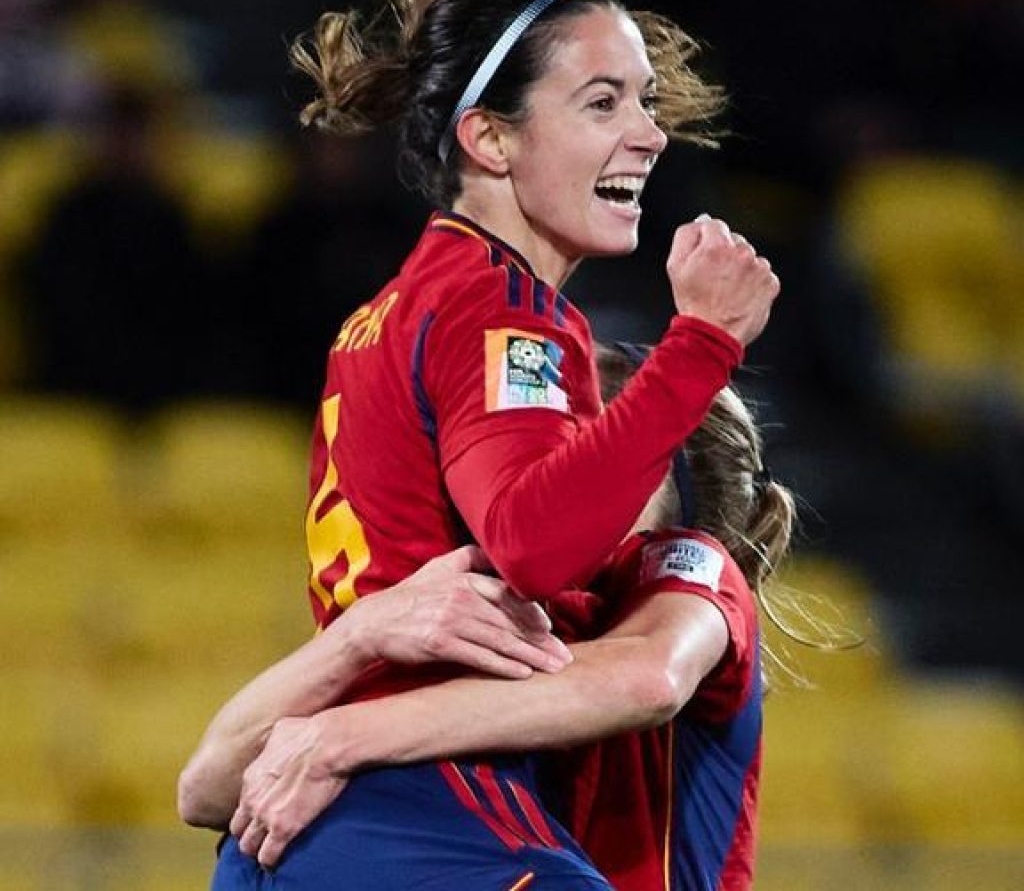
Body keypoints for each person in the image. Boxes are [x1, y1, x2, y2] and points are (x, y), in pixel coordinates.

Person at [180, 344, 796, 890]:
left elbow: (646, 679)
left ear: (660, 477)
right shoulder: (491, 605)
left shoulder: (688, 568)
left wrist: (343, 737)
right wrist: (359, 635)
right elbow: (206, 788)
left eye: (587, 446)